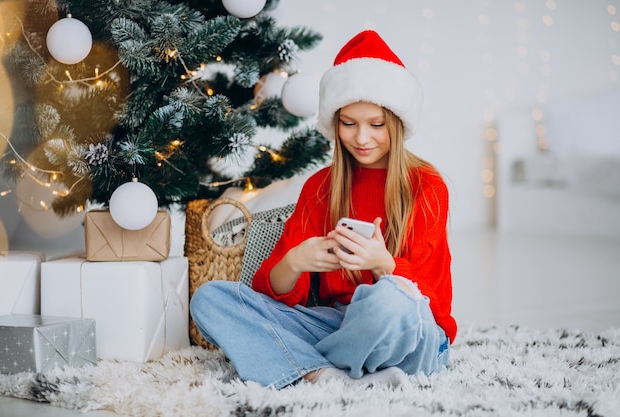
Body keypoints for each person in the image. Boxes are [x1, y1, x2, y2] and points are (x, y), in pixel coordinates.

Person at [190, 29, 456, 390]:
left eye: (376, 125)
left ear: (396, 122)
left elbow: (434, 301)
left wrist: (384, 265)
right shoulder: (320, 187)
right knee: (210, 300)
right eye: (349, 124)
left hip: (408, 331)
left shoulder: (426, 185)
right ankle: (332, 376)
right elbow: (269, 292)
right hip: (336, 323)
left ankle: (304, 363)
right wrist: (297, 260)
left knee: (389, 302)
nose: (362, 138)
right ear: (335, 123)